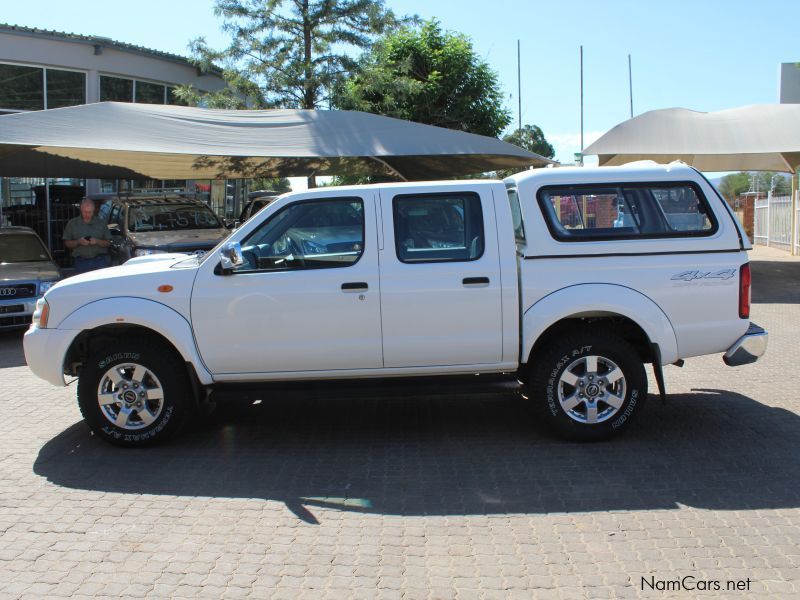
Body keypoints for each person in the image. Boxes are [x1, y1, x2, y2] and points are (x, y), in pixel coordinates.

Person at [63, 198, 111, 273]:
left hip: (99, 261)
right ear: (81, 210)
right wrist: (78, 242)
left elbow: (108, 242)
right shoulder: (72, 224)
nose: (87, 214)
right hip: (81, 262)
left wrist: (97, 241)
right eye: (85, 212)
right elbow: (67, 243)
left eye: (90, 212)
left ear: (93, 210)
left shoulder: (101, 223)